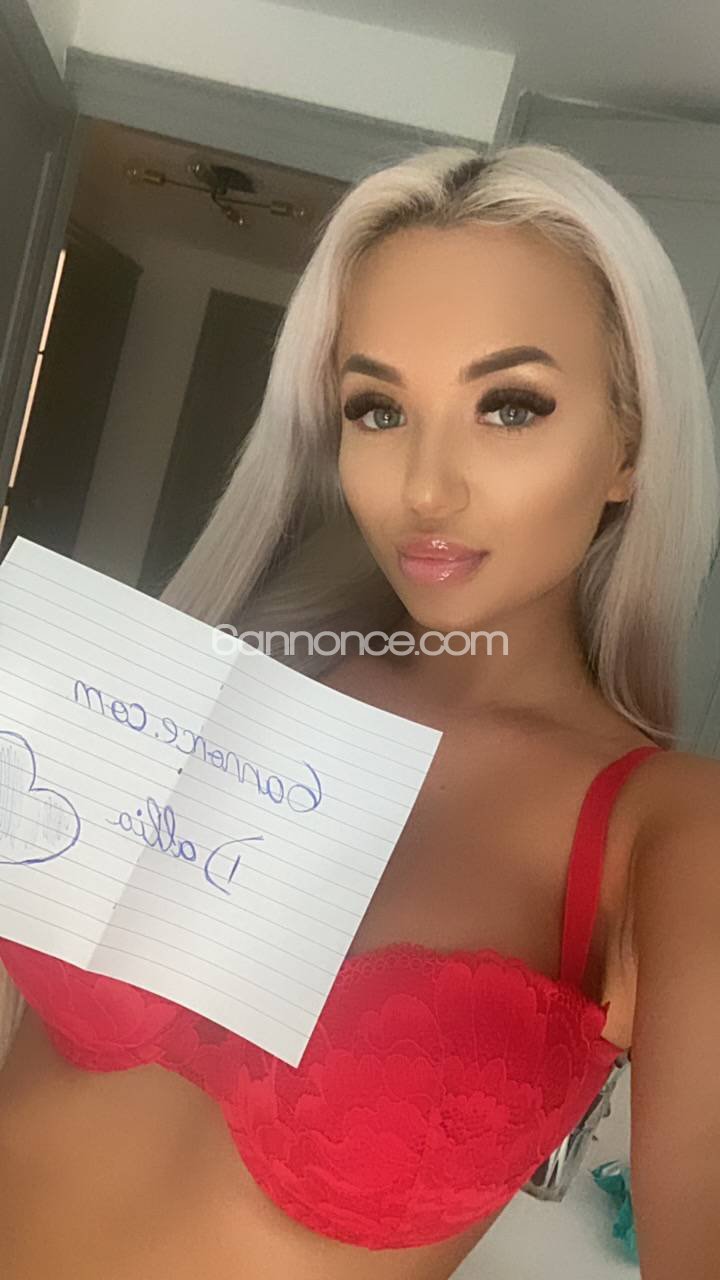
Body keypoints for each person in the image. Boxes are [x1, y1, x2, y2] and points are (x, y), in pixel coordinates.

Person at [1, 141, 719, 1280]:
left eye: (510, 405)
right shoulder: (221, 693)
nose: (425, 487)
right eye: (378, 409)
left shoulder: (667, 833)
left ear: (628, 447)